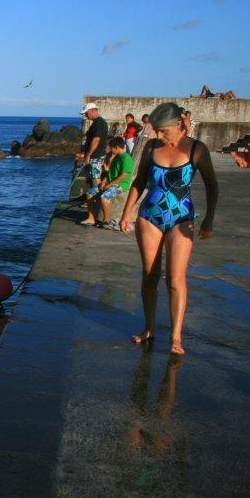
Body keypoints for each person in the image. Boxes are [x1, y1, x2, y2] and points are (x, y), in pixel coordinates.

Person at [119, 102, 219, 356]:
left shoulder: (197, 149)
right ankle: (149, 327)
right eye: (156, 131)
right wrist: (126, 212)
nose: (159, 136)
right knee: (150, 275)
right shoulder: (152, 147)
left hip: (181, 218)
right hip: (149, 216)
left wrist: (208, 219)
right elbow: (139, 181)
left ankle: (176, 337)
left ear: (178, 124)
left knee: (175, 280)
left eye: (163, 131)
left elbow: (212, 185)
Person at [82, 137, 134, 228]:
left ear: (117, 147)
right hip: (109, 183)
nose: (110, 150)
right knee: (90, 193)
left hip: (121, 184)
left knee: (104, 197)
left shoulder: (126, 158)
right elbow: (110, 172)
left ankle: (106, 220)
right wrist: (103, 182)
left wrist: (110, 184)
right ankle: (91, 218)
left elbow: (124, 175)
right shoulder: (116, 158)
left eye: (111, 148)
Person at [76, 102, 109, 190]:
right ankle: (93, 197)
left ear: (92, 111)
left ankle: (95, 197)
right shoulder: (96, 123)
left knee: (95, 178)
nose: (86, 116)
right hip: (95, 155)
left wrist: (88, 155)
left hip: (96, 156)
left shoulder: (99, 123)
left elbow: (96, 140)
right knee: (92, 177)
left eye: (86, 113)